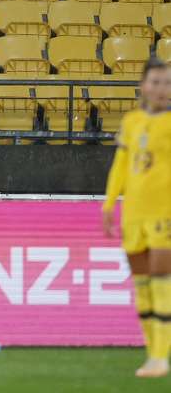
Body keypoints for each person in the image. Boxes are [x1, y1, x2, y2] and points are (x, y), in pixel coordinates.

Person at [102, 57, 171, 379]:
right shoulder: (131, 122)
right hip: (133, 214)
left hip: (164, 213)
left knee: (161, 282)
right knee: (142, 285)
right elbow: (121, 165)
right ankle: (151, 354)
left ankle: (161, 356)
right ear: (143, 85)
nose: (161, 89)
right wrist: (108, 205)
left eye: (167, 83)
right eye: (156, 82)